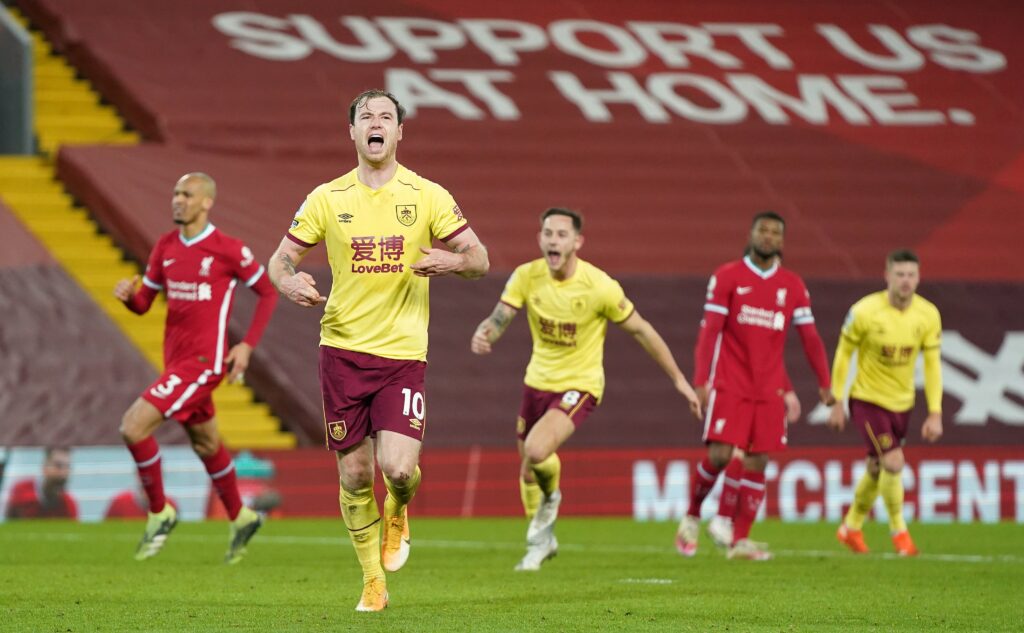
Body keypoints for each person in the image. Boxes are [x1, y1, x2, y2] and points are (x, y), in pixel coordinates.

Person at [267, 89, 488, 612]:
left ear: (399, 132)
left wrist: (452, 263)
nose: (376, 122)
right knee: (354, 474)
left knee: (399, 471)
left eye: (386, 116)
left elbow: (479, 256)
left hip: (403, 356)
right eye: (366, 116)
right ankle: (373, 581)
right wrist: (289, 282)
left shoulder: (428, 195)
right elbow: (279, 260)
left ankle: (399, 508)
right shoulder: (327, 197)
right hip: (341, 350)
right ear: (352, 132)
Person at [470, 207, 702, 571]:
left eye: (562, 234)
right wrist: (485, 334)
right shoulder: (526, 276)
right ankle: (543, 538)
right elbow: (500, 316)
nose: (553, 240)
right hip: (537, 382)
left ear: (577, 241)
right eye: (547, 233)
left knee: (536, 448)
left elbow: (642, 330)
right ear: (539, 238)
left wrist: (679, 381)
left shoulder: (600, 287)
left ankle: (547, 512)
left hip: (581, 385)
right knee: (529, 469)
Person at [113, 172, 278, 564]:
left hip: (204, 363)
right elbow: (143, 305)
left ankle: (159, 511)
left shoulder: (228, 249)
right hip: (176, 361)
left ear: (207, 202)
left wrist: (246, 347)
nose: (177, 200)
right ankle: (241, 517)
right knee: (206, 443)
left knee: (132, 426)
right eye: (175, 193)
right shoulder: (165, 248)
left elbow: (268, 292)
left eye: (187, 194)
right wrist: (127, 297)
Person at [678, 211, 833, 560]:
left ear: (782, 240)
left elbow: (809, 337)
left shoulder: (792, 285)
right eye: (762, 230)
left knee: (757, 461)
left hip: (769, 389)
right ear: (750, 234)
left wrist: (825, 382)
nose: (768, 236)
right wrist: (701, 380)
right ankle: (692, 516)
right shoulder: (728, 276)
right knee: (720, 455)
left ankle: (740, 540)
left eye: (775, 232)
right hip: (730, 382)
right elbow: (710, 332)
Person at [828, 249, 943, 556]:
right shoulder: (865, 311)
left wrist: (935, 412)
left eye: (911, 275)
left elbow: (933, 365)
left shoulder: (928, 314)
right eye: (899, 274)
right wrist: (837, 400)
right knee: (894, 461)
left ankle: (850, 527)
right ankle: (900, 532)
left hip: (902, 403)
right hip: (868, 399)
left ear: (918, 277)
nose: (905, 281)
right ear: (887, 276)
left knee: (877, 467)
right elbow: (843, 354)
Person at [5, 447, 78, 519]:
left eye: (68, 467)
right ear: (44, 467)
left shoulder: (68, 505)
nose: (63, 473)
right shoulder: (21, 492)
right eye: (58, 466)